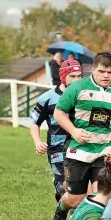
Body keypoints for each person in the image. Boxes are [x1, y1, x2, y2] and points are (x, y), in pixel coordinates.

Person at [53, 52, 111, 220]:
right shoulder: (78, 87)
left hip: (104, 151)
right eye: (102, 71)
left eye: (110, 72)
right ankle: (62, 207)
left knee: (101, 196)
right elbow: (59, 112)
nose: (106, 76)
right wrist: (74, 131)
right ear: (93, 69)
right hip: (78, 151)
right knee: (75, 199)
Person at [30, 59, 82, 203]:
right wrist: (37, 142)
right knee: (65, 187)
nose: (77, 80)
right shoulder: (47, 98)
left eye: (79, 76)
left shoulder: (86, 97)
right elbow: (35, 123)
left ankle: (72, 218)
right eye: (72, 76)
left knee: (79, 188)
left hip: (80, 147)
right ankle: (62, 201)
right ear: (63, 76)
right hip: (57, 150)